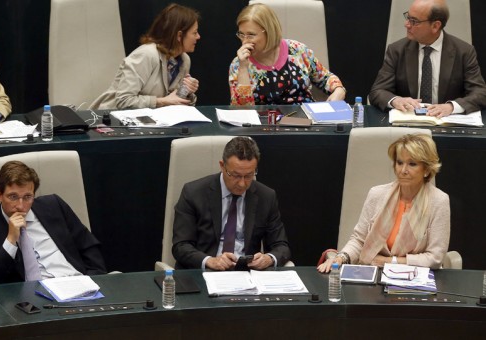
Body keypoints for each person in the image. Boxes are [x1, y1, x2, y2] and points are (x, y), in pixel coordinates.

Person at [318, 134, 449, 273]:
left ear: (427, 169)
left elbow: (435, 257)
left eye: (412, 164)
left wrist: (391, 262)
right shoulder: (377, 194)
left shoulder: (439, 201)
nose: (403, 170)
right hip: (374, 275)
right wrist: (340, 258)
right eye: (399, 162)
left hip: (416, 280)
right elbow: (359, 240)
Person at [0, 161, 107, 285]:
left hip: (77, 281)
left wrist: (95, 280)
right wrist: (10, 240)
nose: (20, 205)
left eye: (28, 197)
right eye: (13, 197)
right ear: (0, 195)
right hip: (34, 299)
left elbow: (88, 245)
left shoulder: (54, 205)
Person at [172, 136, 291, 270]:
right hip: (205, 273)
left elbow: (281, 246)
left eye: (248, 176)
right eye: (235, 175)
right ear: (222, 166)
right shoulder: (193, 193)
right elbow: (181, 246)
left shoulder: (266, 196)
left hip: (247, 274)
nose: (242, 183)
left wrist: (269, 258)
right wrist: (209, 261)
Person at [369, 0, 486, 118]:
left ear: (435, 26)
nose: (407, 24)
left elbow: (480, 93)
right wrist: (396, 100)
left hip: (445, 123)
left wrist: (451, 107)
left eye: (414, 21)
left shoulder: (464, 52)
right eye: (408, 18)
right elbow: (377, 91)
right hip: (408, 124)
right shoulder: (397, 50)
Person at [229, 3, 345, 106]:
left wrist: (339, 90)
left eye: (251, 35)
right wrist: (243, 68)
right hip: (262, 126)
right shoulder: (238, 64)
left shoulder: (297, 50)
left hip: (305, 122)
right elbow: (242, 111)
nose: (244, 41)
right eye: (241, 34)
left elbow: (325, 77)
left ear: (269, 32)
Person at [90, 3, 201, 110]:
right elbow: (124, 101)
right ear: (179, 35)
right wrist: (163, 101)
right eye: (195, 32)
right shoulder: (146, 54)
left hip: (149, 122)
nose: (198, 37)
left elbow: (173, 101)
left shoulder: (184, 60)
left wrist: (187, 92)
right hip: (112, 121)